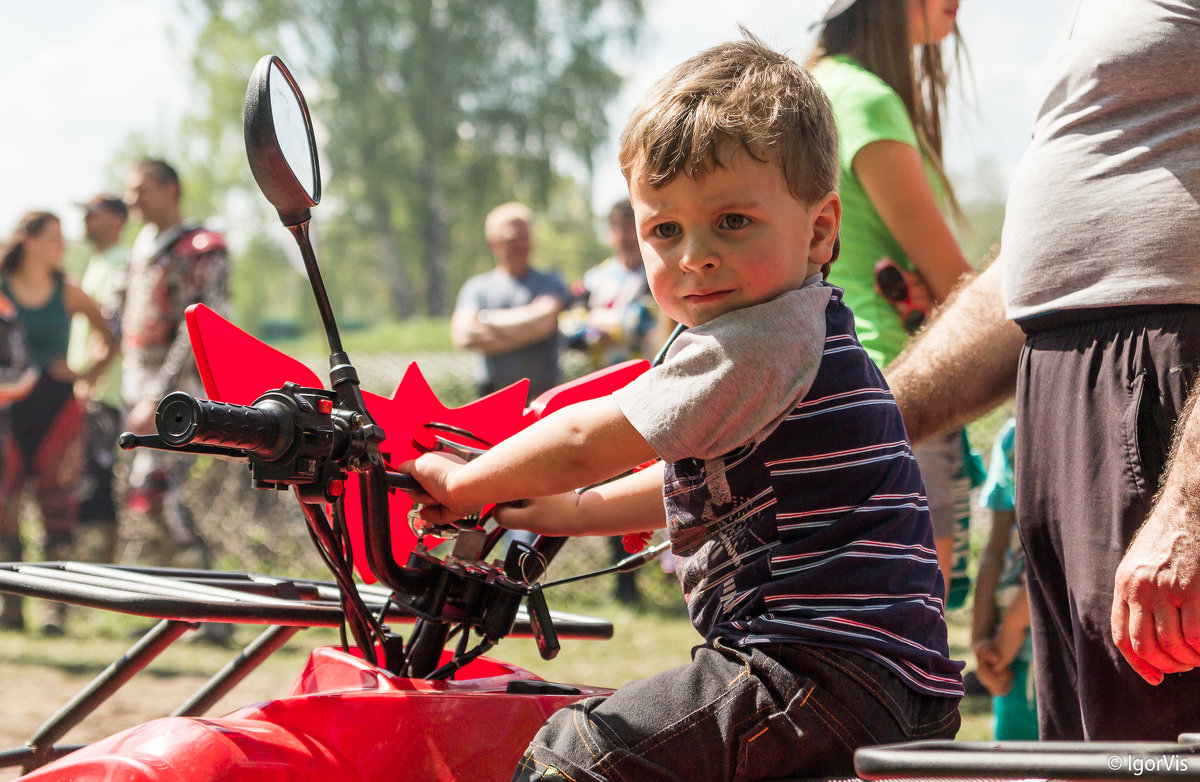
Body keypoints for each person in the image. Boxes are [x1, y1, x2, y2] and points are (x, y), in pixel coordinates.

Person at [404, 36, 962, 780]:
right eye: (664, 230)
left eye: (732, 221)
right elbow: (700, 493)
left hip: (813, 670)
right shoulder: (803, 333)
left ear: (820, 229)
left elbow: (582, 435)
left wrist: (465, 481)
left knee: (578, 751)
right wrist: (557, 510)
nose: (695, 254)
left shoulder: (758, 340)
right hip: (883, 681)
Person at [884, 0, 1200, 740]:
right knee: (1097, 760)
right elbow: (1031, 274)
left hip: (1170, 405)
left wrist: (1191, 505)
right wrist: (864, 423)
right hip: (1070, 404)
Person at [809, 0, 976, 599]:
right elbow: (961, 288)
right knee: (910, 633)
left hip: (820, 383)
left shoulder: (809, 88)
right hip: (900, 389)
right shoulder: (867, 99)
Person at [0, 211, 116, 634]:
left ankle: (54, 611)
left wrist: (89, 375)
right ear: (28, 241)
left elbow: (110, 333)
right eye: (53, 238)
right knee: (4, 506)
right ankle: (10, 608)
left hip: (57, 407)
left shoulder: (67, 291)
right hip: (8, 408)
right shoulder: (2, 285)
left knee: (57, 508)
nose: (62, 247)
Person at [119, 159, 229, 575]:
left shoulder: (201, 249)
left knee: (157, 493)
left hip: (181, 395)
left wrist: (158, 394)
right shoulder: (141, 248)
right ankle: (173, 604)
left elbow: (199, 325)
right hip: (135, 387)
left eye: (141, 188)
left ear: (170, 190)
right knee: (143, 501)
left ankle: (216, 603)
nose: (132, 198)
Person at [562, 198, 660, 604]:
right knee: (603, 486)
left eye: (629, 227)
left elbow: (645, 320)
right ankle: (622, 584)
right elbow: (568, 322)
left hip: (647, 387)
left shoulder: (655, 270)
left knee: (642, 484)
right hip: (601, 392)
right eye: (617, 227)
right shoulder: (596, 277)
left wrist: (602, 323)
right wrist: (595, 327)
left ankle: (655, 580)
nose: (623, 236)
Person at [450, 202, 571, 403]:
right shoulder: (476, 288)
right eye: (513, 239)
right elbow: (464, 336)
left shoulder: (551, 282)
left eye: (526, 237)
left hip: (543, 400)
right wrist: (527, 331)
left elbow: (543, 322)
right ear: (493, 243)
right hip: (491, 400)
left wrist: (485, 320)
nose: (521, 245)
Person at [69, 194, 129, 564]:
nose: (85, 221)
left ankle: (100, 575)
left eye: (93, 214)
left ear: (116, 220)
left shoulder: (121, 264)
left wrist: (88, 380)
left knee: (98, 487)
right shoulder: (97, 263)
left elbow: (114, 334)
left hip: (105, 394)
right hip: (93, 392)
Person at [970, 417, 1038, 740]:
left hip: (1068, 655)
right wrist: (981, 641)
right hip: (1011, 661)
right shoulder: (1012, 436)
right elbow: (995, 548)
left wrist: (1015, 623)